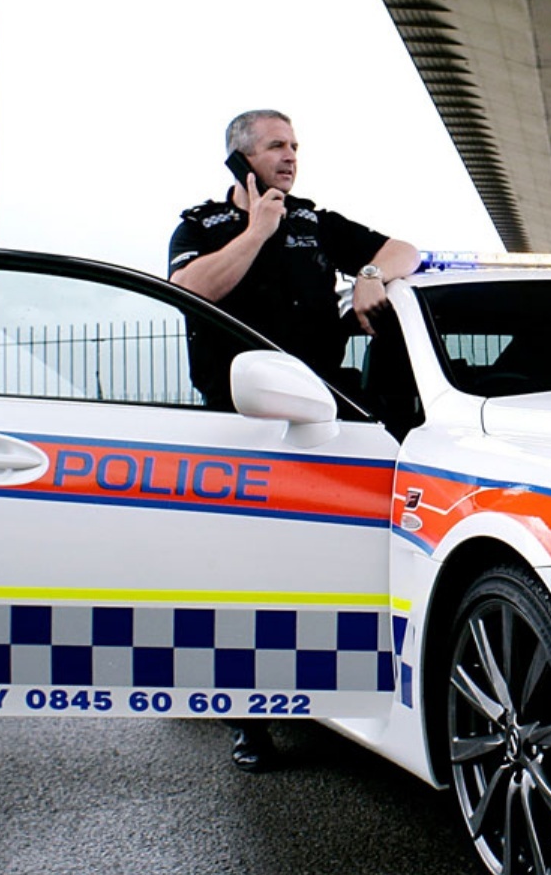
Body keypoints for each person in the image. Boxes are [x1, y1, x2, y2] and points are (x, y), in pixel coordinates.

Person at [169, 109, 420, 769]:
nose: (290, 156)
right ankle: (247, 713)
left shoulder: (313, 220)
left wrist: (369, 275)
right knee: (245, 576)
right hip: (241, 423)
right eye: (277, 145)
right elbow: (190, 290)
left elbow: (404, 251)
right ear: (241, 155)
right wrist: (257, 231)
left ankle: (328, 683)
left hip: (322, 420)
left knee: (318, 567)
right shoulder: (201, 226)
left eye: (295, 145)